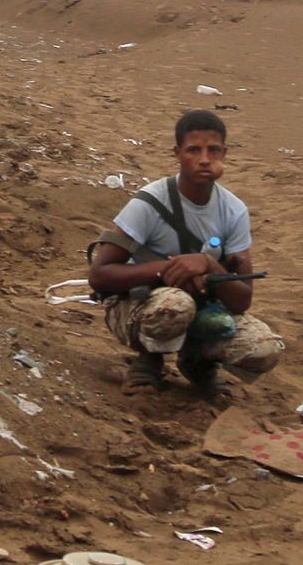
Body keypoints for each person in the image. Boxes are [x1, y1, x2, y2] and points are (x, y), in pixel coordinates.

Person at [86, 110, 284, 398]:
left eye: (213, 150)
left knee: (264, 347)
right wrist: (167, 271)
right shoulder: (149, 202)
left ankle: (197, 363)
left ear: (224, 154)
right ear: (177, 154)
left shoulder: (234, 210)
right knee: (175, 304)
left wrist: (208, 266)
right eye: (194, 150)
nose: (204, 159)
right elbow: (100, 275)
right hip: (139, 308)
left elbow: (242, 300)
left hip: (203, 310)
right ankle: (148, 360)